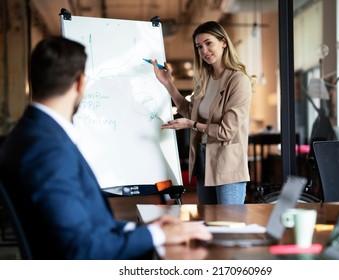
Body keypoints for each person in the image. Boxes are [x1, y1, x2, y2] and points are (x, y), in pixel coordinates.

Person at [0, 36, 211, 260]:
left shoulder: (33, 134)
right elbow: (82, 249)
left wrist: (149, 230)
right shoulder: (47, 150)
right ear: (80, 83)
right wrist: (156, 234)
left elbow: (80, 225)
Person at [151, 21, 253, 204]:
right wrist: (168, 83)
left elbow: (226, 131)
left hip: (228, 166)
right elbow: (191, 113)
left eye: (208, 43)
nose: (204, 50)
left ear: (223, 42)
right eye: (199, 46)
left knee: (227, 227)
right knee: (208, 225)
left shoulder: (238, 80)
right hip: (203, 160)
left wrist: (192, 125)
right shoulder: (205, 80)